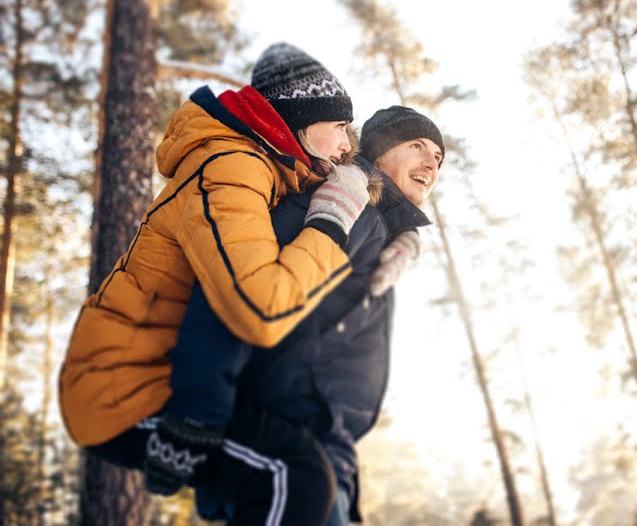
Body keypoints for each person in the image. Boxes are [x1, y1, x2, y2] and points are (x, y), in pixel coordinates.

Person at [58, 43, 389, 525]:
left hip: (160, 377)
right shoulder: (233, 166)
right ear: (299, 119)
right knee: (291, 474)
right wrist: (330, 224)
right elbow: (260, 307)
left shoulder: (262, 170)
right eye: (339, 126)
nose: (346, 144)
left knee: (296, 470)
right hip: (120, 386)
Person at [153, 103, 445, 526]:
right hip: (283, 441)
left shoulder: (383, 239)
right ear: (379, 151)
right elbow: (235, 285)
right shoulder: (342, 209)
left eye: (438, 157)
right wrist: (197, 414)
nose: (431, 162)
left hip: (325, 453)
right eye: (417, 145)